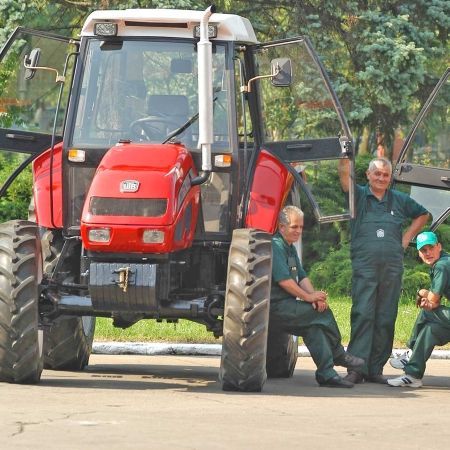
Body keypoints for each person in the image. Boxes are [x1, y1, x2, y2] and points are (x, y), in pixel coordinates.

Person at [339, 157, 429, 384]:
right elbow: (344, 177)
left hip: (392, 267)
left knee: (386, 316)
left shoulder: (398, 200)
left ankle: (375, 369)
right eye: (377, 173)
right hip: (365, 266)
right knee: (363, 314)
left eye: (385, 175)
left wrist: (408, 236)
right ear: (368, 175)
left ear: (390, 178)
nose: (381, 178)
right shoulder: (358, 196)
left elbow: (423, 214)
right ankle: (356, 368)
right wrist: (344, 153)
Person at [270, 205, 364, 388]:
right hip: (275, 308)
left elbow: (302, 276)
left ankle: (326, 374)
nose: (299, 231)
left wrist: (315, 298)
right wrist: (308, 298)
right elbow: (284, 281)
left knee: (314, 328)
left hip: (289, 307)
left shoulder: (289, 248)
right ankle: (338, 355)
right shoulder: (275, 246)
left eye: (301, 227)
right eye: (294, 227)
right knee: (322, 314)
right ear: (282, 227)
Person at [388, 231, 449, 387]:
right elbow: (434, 302)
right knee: (431, 330)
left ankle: (410, 353)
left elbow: (433, 300)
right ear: (419, 253)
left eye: (431, 248)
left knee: (427, 313)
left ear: (439, 246)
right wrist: (429, 301)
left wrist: (421, 292)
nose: (427, 253)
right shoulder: (444, 261)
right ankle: (413, 375)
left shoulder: (442, 266)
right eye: (423, 250)